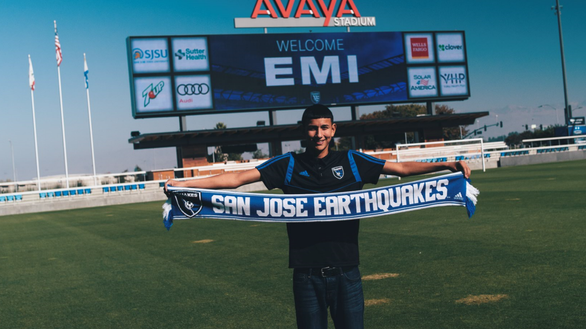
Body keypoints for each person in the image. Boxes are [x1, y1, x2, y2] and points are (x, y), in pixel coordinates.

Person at [165, 104, 470, 329]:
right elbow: (235, 180)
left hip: (347, 271)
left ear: (333, 130)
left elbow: (401, 169)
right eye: (313, 128)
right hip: (305, 274)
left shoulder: (352, 161)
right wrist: (184, 183)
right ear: (305, 131)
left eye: (324, 127)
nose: (319, 134)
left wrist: (446, 165)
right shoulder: (287, 165)